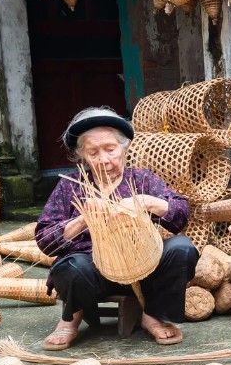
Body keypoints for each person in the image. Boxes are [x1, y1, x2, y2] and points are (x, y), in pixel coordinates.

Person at [35, 107, 198, 350]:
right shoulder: (71, 187)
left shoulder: (142, 180)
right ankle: (70, 320)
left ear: (124, 147)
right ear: (83, 157)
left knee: (182, 249)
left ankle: (153, 315)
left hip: (144, 266)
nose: (103, 160)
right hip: (94, 271)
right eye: (93, 152)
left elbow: (181, 215)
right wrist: (81, 220)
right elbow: (45, 239)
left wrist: (150, 202)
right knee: (70, 267)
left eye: (110, 149)